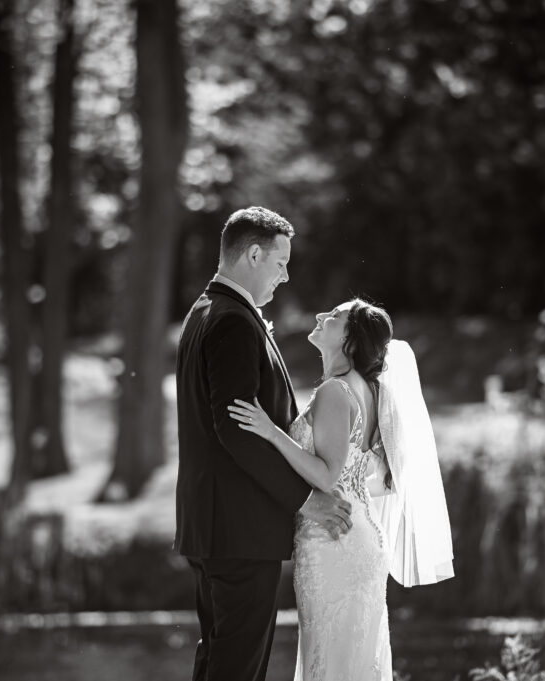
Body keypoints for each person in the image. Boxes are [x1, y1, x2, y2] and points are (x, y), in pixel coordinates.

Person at [228, 298, 455, 681]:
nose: (320, 316)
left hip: (334, 542)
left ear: (349, 339)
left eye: (333, 316)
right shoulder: (368, 389)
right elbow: (363, 471)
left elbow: (328, 475)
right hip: (354, 535)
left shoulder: (336, 391)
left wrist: (272, 433)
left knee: (330, 662)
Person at [174, 206, 354, 681]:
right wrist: (304, 500)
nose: (286, 275)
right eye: (280, 263)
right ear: (253, 254)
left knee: (218, 659)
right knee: (236, 668)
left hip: (216, 525)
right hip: (239, 529)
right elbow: (234, 429)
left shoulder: (207, 310)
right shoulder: (232, 320)